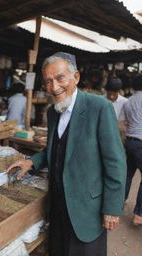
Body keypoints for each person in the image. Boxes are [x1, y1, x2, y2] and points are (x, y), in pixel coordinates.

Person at [7, 52, 126, 256]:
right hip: (59, 202)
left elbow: (115, 161)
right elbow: (56, 147)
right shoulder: (54, 111)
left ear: (76, 77)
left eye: (60, 78)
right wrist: (31, 162)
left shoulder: (99, 107)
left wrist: (112, 208)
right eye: (48, 81)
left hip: (87, 207)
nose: (54, 87)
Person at [123, 74, 142, 226]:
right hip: (141, 142)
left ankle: (118, 204)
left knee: (127, 174)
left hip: (129, 141)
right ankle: (139, 215)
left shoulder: (128, 101)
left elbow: (125, 123)